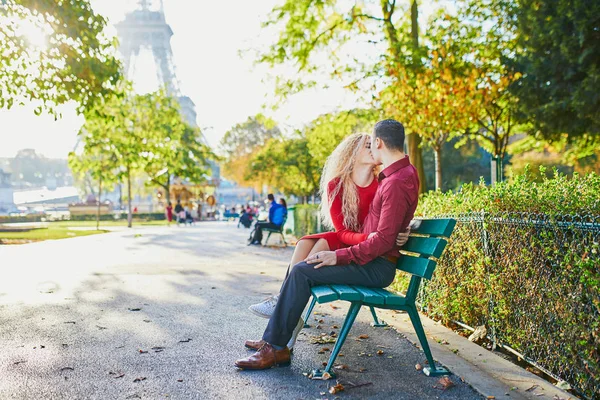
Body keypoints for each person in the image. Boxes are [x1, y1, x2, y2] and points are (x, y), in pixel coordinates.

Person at [235, 119, 419, 370]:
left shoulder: (395, 180)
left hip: (377, 264)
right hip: (371, 258)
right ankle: (276, 344)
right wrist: (402, 227)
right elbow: (382, 226)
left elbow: (384, 236)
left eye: (370, 144)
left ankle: (275, 346)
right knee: (306, 260)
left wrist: (340, 256)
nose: (371, 150)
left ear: (378, 143)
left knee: (303, 271)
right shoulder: (393, 177)